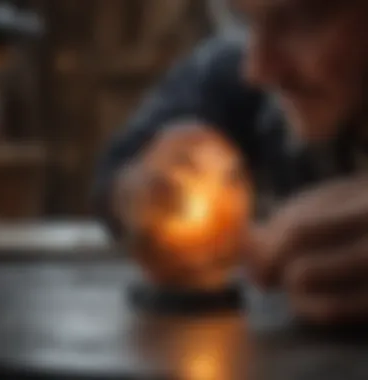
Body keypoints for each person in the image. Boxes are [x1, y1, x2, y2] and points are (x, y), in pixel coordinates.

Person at [94, 0, 368, 324]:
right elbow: (120, 163)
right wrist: (142, 192)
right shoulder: (231, 72)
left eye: (303, 20)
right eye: (247, 21)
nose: (257, 71)